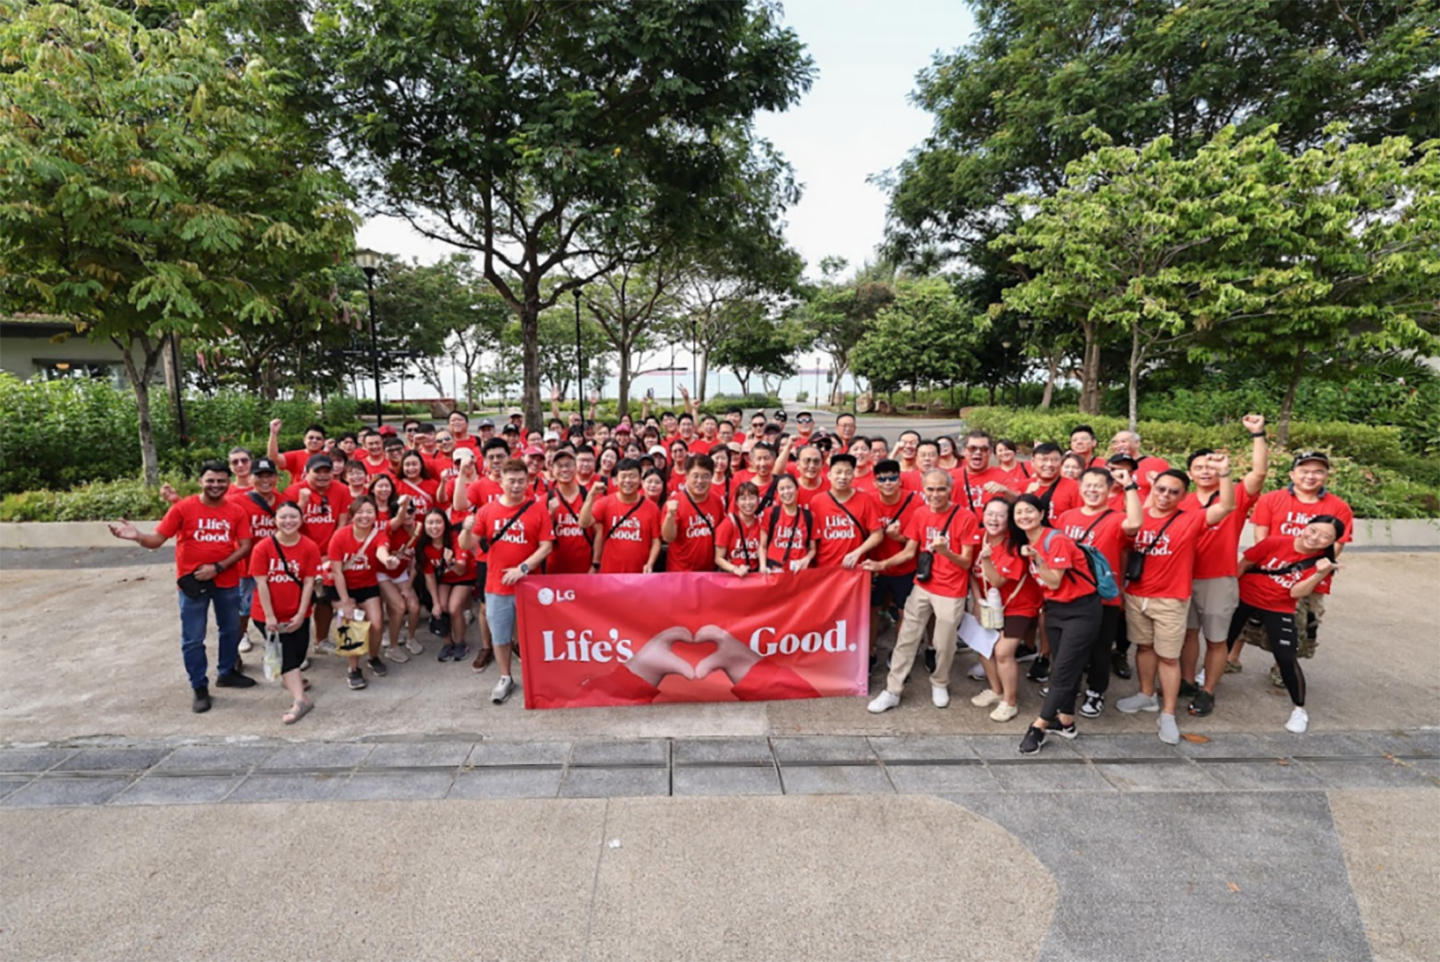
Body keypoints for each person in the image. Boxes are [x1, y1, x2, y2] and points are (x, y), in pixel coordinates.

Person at [108, 461, 255, 712]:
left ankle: (227, 672)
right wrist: (138, 536)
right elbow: (156, 540)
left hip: (226, 581)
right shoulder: (183, 509)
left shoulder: (236, 510)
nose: (216, 485)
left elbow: (244, 546)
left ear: (228, 483)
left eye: (221, 480)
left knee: (231, 630)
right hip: (192, 584)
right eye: (210, 480)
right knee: (193, 638)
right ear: (200, 482)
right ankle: (199, 686)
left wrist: (217, 567)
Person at [1115, 458, 1235, 745]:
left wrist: (1225, 474)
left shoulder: (1190, 519)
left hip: (1170, 598)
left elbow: (1226, 506)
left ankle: (1168, 712)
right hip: (1136, 595)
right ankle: (1146, 695)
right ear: (1152, 489)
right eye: (1161, 489)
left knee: (1169, 657)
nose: (1165, 495)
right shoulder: (1137, 516)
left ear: (1184, 496)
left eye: (1173, 491)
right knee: (1143, 647)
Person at [866, 469, 979, 712]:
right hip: (923, 585)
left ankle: (940, 681)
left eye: (941, 489)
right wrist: (881, 564)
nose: (935, 494)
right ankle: (892, 690)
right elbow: (909, 551)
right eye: (930, 489)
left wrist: (946, 551)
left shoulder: (965, 517)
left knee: (944, 642)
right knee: (906, 638)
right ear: (923, 490)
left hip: (951, 590)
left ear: (950, 489)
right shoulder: (920, 513)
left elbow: (967, 562)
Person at [1238, 451, 1355, 682]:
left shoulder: (1339, 508)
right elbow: (1261, 538)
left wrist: (1314, 570)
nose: (1310, 476)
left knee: (1298, 623)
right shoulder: (1271, 499)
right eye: (1304, 470)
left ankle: (1282, 668)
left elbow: (1337, 545)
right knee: (1246, 616)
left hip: (1309, 576)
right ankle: (1231, 659)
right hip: (1271, 570)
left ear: (1326, 475)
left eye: (1318, 471)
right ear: (1292, 473)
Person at [1182, 415, 1270, 716]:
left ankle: (1208, 690)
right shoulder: (1182, 501)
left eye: (1210, 466)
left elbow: (1259, 473)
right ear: (1190, 473)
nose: (1205, 471)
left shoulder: (1234, 495)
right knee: (1188, 633)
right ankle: (1186, 681)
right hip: (1182, 578)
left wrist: (1258, 433)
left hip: (1218, 578)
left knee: (1216, 638)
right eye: (1199, 467)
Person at [1226, 517, 1345, 734]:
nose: (1315, 538)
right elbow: (1243, 564)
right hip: (1245, 597)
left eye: (1326, 537)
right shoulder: (1274, 543)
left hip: (1279, 606)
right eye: (1313, 530)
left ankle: (1299, 709)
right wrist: (1229, 593)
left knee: (1286, 656)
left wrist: (1320, 573)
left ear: (1333, 542)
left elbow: (1296, 592)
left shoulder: (1320, 563)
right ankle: (1207, 679)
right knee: (1224, 639)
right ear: (1305, 528)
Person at [1011, 494, 1106, 755]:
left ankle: (1038, 727)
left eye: (1029, 511)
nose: (1023, 516)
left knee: (1063, 671)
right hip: (1055, 610)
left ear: (1042, 513)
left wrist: (1037, 558)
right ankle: (1065, 720)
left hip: (1082, 610)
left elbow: (1053, 580)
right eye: (1018, 512)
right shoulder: (1028, 542)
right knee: (1064, 666)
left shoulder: (1057, 540)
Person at [462, 458, 554, 704]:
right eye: (511, 481)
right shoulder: (487, 510)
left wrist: (524, 568)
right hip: (497, 585)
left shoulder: (537, 508)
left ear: (528, 482)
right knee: (500, 636)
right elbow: (468, 545)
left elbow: (546, 546)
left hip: (530, 586)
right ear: (501, 481)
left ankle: (537, 676)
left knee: (533, 635)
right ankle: (505, 677)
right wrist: (465, 529)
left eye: (521, 481)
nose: (516, 486)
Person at [1056, 465, 1142, 718]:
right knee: (1069, 647)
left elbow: (1135, 522)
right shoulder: (1066, 517)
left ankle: (1096, 691)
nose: (1092, 490)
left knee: (1101, 647)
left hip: (1102, 596)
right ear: (1079, 487)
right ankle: (1066, 687)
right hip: (1070, 593)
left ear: (1108, 489)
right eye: (1087, 485)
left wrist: (1129, 485)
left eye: (1098, 486)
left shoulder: (1116, 518)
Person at [972, 498, 1044, 722]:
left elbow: (998, 580)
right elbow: (968, 572)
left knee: (1003, 652)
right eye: (990, 513)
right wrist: (976, 600)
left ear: (1009, 519)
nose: (994, 519)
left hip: (1019, 606)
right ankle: (996, 690)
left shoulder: (1014, 546)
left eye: (1001, 515)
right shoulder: (977, 538)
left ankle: (1009, 702)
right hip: (988, 604)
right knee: (982, 645)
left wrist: (986, 560)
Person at [249, 501, 320, 724]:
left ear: (301, 520)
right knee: (287, 656)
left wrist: (301, 614)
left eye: (293, 517)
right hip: (267, 613)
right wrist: (270, 616)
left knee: (298, 654)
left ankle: (293, 678)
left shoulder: (309, 546)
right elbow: (261, 583)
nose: (288, 522)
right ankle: (301, 700)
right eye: (283, 517)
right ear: (274, 521)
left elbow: (309, 583)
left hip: (297, 611)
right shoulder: (263, 547)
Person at [283, 453, 352, 649]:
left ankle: (321, 640)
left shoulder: (341, 490)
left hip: (329, 554)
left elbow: (342, 522)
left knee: (324, 598)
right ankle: (295, 648)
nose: (322, 476)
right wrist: (302, 504)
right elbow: (288, 526)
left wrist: (330, 555)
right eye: (317, 472)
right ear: (306, 472)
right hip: (299, 554)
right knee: (297, 602)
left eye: (326, 471)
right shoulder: (293, 491)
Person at [866, 459, 922, 669]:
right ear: (875, 482)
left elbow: (919, 544)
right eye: (882, 479)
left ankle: (899, 654)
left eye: (892, 478)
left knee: (903, 612)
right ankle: (870, 652)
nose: (887, 483)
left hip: (905, 568)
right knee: (872, 610)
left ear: (900, 480)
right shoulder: (868, 500)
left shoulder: (915, 502)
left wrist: (899, 538)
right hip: (875, 568)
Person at [230, 456, 282, 654]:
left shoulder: (284, 500)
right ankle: (240, 637)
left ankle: (274, 642)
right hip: (248, 565)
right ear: (251, 479)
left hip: (277, 565)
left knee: (276, 606)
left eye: (269, 475)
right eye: (260, 476)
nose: (265, 480)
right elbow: (209, 510)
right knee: (245, 607)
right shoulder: (237, 501)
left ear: (276, 478)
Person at [580, 459, 662, 574]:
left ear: (640, 480)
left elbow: (656, 541)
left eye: (632, 476)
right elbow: (584, 523)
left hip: (639, 575)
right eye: (623, 476)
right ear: (615, 480)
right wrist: (591, 496)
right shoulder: (604, 503)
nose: (627, 480)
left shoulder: (652, 508)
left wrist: (650, 563)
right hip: (609, 575)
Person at [420, 508, 476, 663]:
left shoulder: (456, 538)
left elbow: (461, 570)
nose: (434, 526)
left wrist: (451, 562)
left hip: (464, 576)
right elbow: (429, 576)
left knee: (454, 608)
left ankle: (460, 643)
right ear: (424, 525)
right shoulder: (425, 546)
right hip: (444, 579)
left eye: (438, 522)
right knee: (441, 608)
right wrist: (435, 603)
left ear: (445, 524)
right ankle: (447, 643)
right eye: (430, 523)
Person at [811, 454, 884, 569]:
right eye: (838, 472)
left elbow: (877, 535)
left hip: (854, 568)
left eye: (848, 472)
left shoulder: (864, 499)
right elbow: (812, 537)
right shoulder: (817, 501)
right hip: (824, 569)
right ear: (829, 475)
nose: (843, 477)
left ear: (853, 475)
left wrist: (858, 551)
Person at [662, 454, 725, 572]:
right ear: (686, 476)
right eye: (695, 476)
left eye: (705, 476)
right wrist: (670, 515)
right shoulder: (675, 502)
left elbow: (721, 533)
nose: (700, 481)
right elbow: (668, 538)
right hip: (680, 571)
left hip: (709, 571)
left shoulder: (716, 501)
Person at [546, 449, 594, 575]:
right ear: (552, 469)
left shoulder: (588, 496)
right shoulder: (545, 499)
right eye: (559, 466)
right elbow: (541, 538)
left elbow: (598, 532)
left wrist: (595, 564)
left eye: (568, 465)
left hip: (586, 570)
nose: (564, 469)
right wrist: (550, 514)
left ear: (575, 467)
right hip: (554, 571)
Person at [759, 474, 817, 574]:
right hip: (775, 571)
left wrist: (806, 559)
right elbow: (762, 546)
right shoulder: (770, 513)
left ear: (797, 489)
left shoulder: (809, 516)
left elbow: (813, 549)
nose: (786, 492)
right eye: (782, 489)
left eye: (789, 487)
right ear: (777, 493)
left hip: (799, 572)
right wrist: (763, 566)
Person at [951, 430, 1013, 519]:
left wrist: (1005, 491)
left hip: (992, 529)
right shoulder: (951, 477)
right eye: (972, 448)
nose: (978, 452)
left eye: (984, 449)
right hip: (961, 529)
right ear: (964, 451)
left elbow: (1018, 502)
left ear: (990, 452)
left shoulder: (1003, 476)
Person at [714, 481, 763, 577]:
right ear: (736, 502)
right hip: (732, 576)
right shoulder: (728, 524)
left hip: (755, 575)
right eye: (743, 499)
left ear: (758, 500)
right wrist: (734, 569)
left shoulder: (762, 522)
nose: (748, 503)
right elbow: (718, 558)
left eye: (752, 498)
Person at [1109, 430, 1170, 502]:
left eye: (1124, 441)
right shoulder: (1110, 466)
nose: (1119, 445)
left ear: (1137, 443)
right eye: (1115, 442)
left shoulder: (1157, 463)